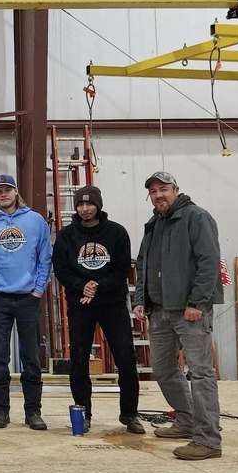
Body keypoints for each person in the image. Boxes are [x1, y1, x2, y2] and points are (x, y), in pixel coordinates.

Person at [134, 171, 223, 460]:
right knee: (163, 369)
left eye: (164, 189)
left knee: (200, 373)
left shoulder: (196, 217)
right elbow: (143, 265)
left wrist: (197, 301)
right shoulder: (154, 224)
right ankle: (185, 420)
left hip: (190, 310)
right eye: (154, 191)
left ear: (176, 189)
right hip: (159, 311)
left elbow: (209, 262)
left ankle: (208, 439)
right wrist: (139, 299)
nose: (159, 195)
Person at [52, 185, 142, 434]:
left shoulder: (116, 233)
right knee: (79, 360)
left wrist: (98, 285)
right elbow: (61, 269)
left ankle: (130, 414)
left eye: (90, 204)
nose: (85, 209)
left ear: (99, 206)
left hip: (112, 304)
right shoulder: (67, 236)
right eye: (80, 204)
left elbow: (123, 268)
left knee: (125, 358)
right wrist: (83, 286)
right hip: (81, 305)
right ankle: (84, 413)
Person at [0, 174, 51, 431]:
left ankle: (33, 412)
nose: (3, 194)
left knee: (31, 356)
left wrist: (38, 289)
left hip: (28, 298)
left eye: (7, 189)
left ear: (16, 191)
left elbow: (45, 257)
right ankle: (1, 411)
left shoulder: (35, 221)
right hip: (0, 298)